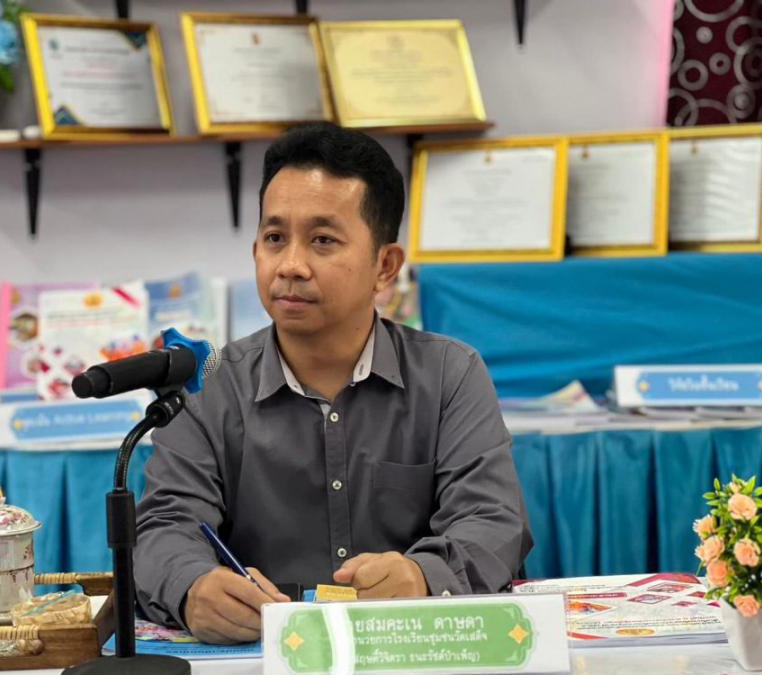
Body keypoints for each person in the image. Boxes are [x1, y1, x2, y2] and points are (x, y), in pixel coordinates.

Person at [135, 122, 532, 644]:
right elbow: (166, 524)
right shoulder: (209, 384)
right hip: (264, 653)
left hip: (409, 648)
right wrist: (192, 587)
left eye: (323, 240)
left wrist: (421, 576)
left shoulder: (448, 374)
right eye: (275, 238)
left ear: (385, 267)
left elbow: (492, 521)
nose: (291, 265)